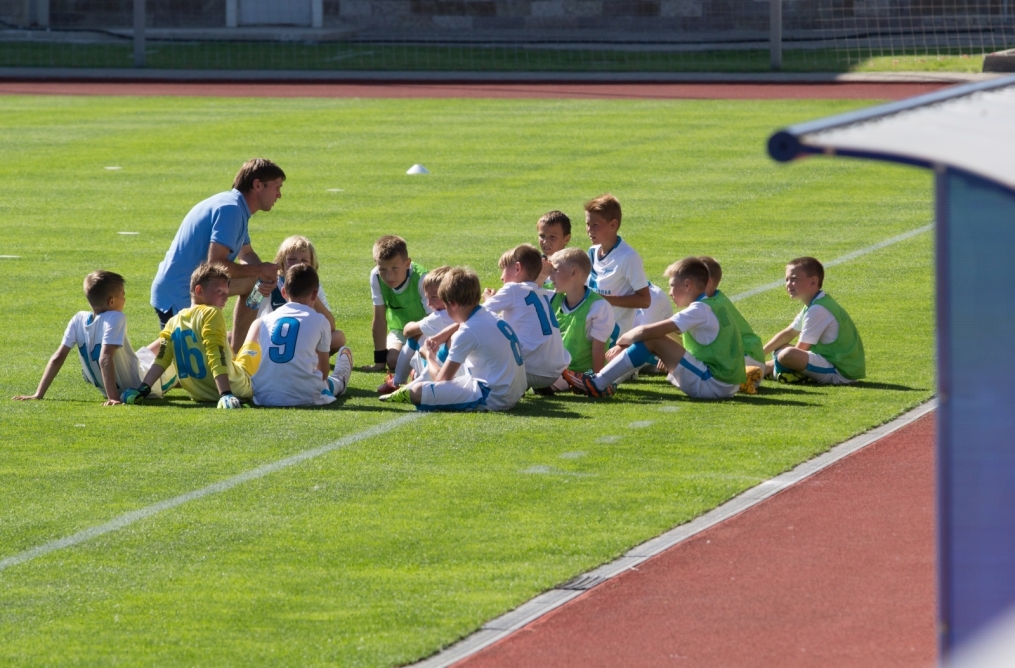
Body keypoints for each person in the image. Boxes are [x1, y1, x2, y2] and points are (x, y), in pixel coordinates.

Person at [565, 257, 759, 400]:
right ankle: (600, 381)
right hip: (725, 382)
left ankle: (597, 383)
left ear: (687, 284)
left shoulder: (699, 309)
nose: (669, 292)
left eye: (672, 286)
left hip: (714, 384)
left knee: (652, 339)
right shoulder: (715, 302)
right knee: (656, 340)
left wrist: (622, 340)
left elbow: (646, 332)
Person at [150, 158, 284, 354]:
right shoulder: (231, 210)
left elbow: (246, 254)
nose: (279, 195)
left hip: (188, 291)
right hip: (181, 296)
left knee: (255, 282)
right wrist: (259, 271)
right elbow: (215, 264)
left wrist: (268, 275)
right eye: (276, 187)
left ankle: (238, 354)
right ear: (257, 185)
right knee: (180, 369)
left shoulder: (235, 206)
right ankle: (129, 366)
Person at [380, 267, 527, 412]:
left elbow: (441, 379)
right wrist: (439, 338)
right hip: (513, 390)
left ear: (453, 304)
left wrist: (429, 356)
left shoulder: (467, 331)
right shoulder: (488, 315)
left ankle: (410, 386)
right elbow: (461, 324)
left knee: (417, 391)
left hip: (493, 396)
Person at [14, 271, 170, 405]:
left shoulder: (78, 318)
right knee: (175, 350)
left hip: (122, 376)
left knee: (162, 343)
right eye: (123, 295)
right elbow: (105, 357)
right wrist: (113, 398)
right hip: (139, 385)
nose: (125, 299)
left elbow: (57, 357)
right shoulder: (115, 317)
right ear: (112, 301)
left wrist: (38, 394)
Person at [123, 263, 261, 408]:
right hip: (236, 388)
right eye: (220, 291)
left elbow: (161, 360)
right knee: (255, 331)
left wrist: (142, 389)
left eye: (226, 293)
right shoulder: (212, 312)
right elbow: (215, 354)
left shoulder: (172, 321)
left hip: (199, 394)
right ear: (199, 290)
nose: (225, 298)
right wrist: (225, 393)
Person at [246, 263, 353, 407]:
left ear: (284, 292)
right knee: (328, 383)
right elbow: (324, 371)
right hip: (306, 396)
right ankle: (340, 382)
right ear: (315, 294)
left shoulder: (265, 320)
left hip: (263, 395)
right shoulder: (320, 320)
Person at [762, 256, 866, 385]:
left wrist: (765, 366)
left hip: (840, 372)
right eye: (787, 279)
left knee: (787, 354)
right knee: (780, 348)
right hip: (827, 362)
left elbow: (801, 349)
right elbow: (789, 333)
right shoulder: (815, 304)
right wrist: (759, 355)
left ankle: (775, 372)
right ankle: (780, 372)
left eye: (794, 279)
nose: (789, 284)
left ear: (813, 281)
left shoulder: (818, 309)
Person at [482, 244, 570, 391]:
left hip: (529, 370)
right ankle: (554, 384)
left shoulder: (513, 289)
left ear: (517, 268)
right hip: (553, 373)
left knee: (479, 332)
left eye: (504, 269)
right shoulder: (542, 293)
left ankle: (504, 385)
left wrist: (487, 300)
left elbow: (477, 315)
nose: (501, 277)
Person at [256, 235, 346, 354]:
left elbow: (330, 326)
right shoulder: (271, 283)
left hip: (304, 338)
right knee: (232, 337)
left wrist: (312, 294)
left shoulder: (314, 285)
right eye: (291, 259)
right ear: (281, 262)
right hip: (275, 338)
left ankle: (304, 361)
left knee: (338, 337)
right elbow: (256, 322)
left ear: (312, 264)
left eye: (304, 260)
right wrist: (262, 291)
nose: (297, 264)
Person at [377, 265, 455, 394]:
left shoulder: (439, 317)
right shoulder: (465, 312)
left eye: (434, 297)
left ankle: (397, 382)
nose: (429, 303)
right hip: (459, 370)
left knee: (414, 338)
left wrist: (412, 324)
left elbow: (407, 331)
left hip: (440, 371)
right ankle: (415, 375)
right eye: (427, 297)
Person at [584, 194, 650, 336]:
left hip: (613, 334)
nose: (589, 230)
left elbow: (645, 300)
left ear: (613, 225)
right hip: (591, 328)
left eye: (595, 225)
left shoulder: (628, 257)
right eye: (588, 224)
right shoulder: (591, 252)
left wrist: (602, 299)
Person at [699, 256, 765, 390]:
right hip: (752, 358)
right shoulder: (717, 300)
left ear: (707, 283)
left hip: (743, 358)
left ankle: (740, 376)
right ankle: (744, 376)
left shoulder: (708, 306)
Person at [549, 248, 615, 378]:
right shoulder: (552, 296)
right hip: (557, 369)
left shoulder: (598, 306)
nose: (550, 277)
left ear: (573, 272)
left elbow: (598, 348)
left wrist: (597, 381)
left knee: (543, 383)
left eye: (555, 271)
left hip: (583, 374)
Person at [368, 235, 430, 373]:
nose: (389, 276)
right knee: (393, 361)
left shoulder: (423, 279)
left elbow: (434, 318)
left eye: (395, 268)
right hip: (400, 330)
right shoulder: (376, 276)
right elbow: (379, 318)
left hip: (425, 330)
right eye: (382, 269)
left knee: (424, 360)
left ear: (407, 263)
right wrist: (379, 362)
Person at [536, 210, 572, 287]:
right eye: (542, 236)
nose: (545, 241)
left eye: (552, 237)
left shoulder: (573, 267)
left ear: (566, 239)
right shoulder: (533, 266)